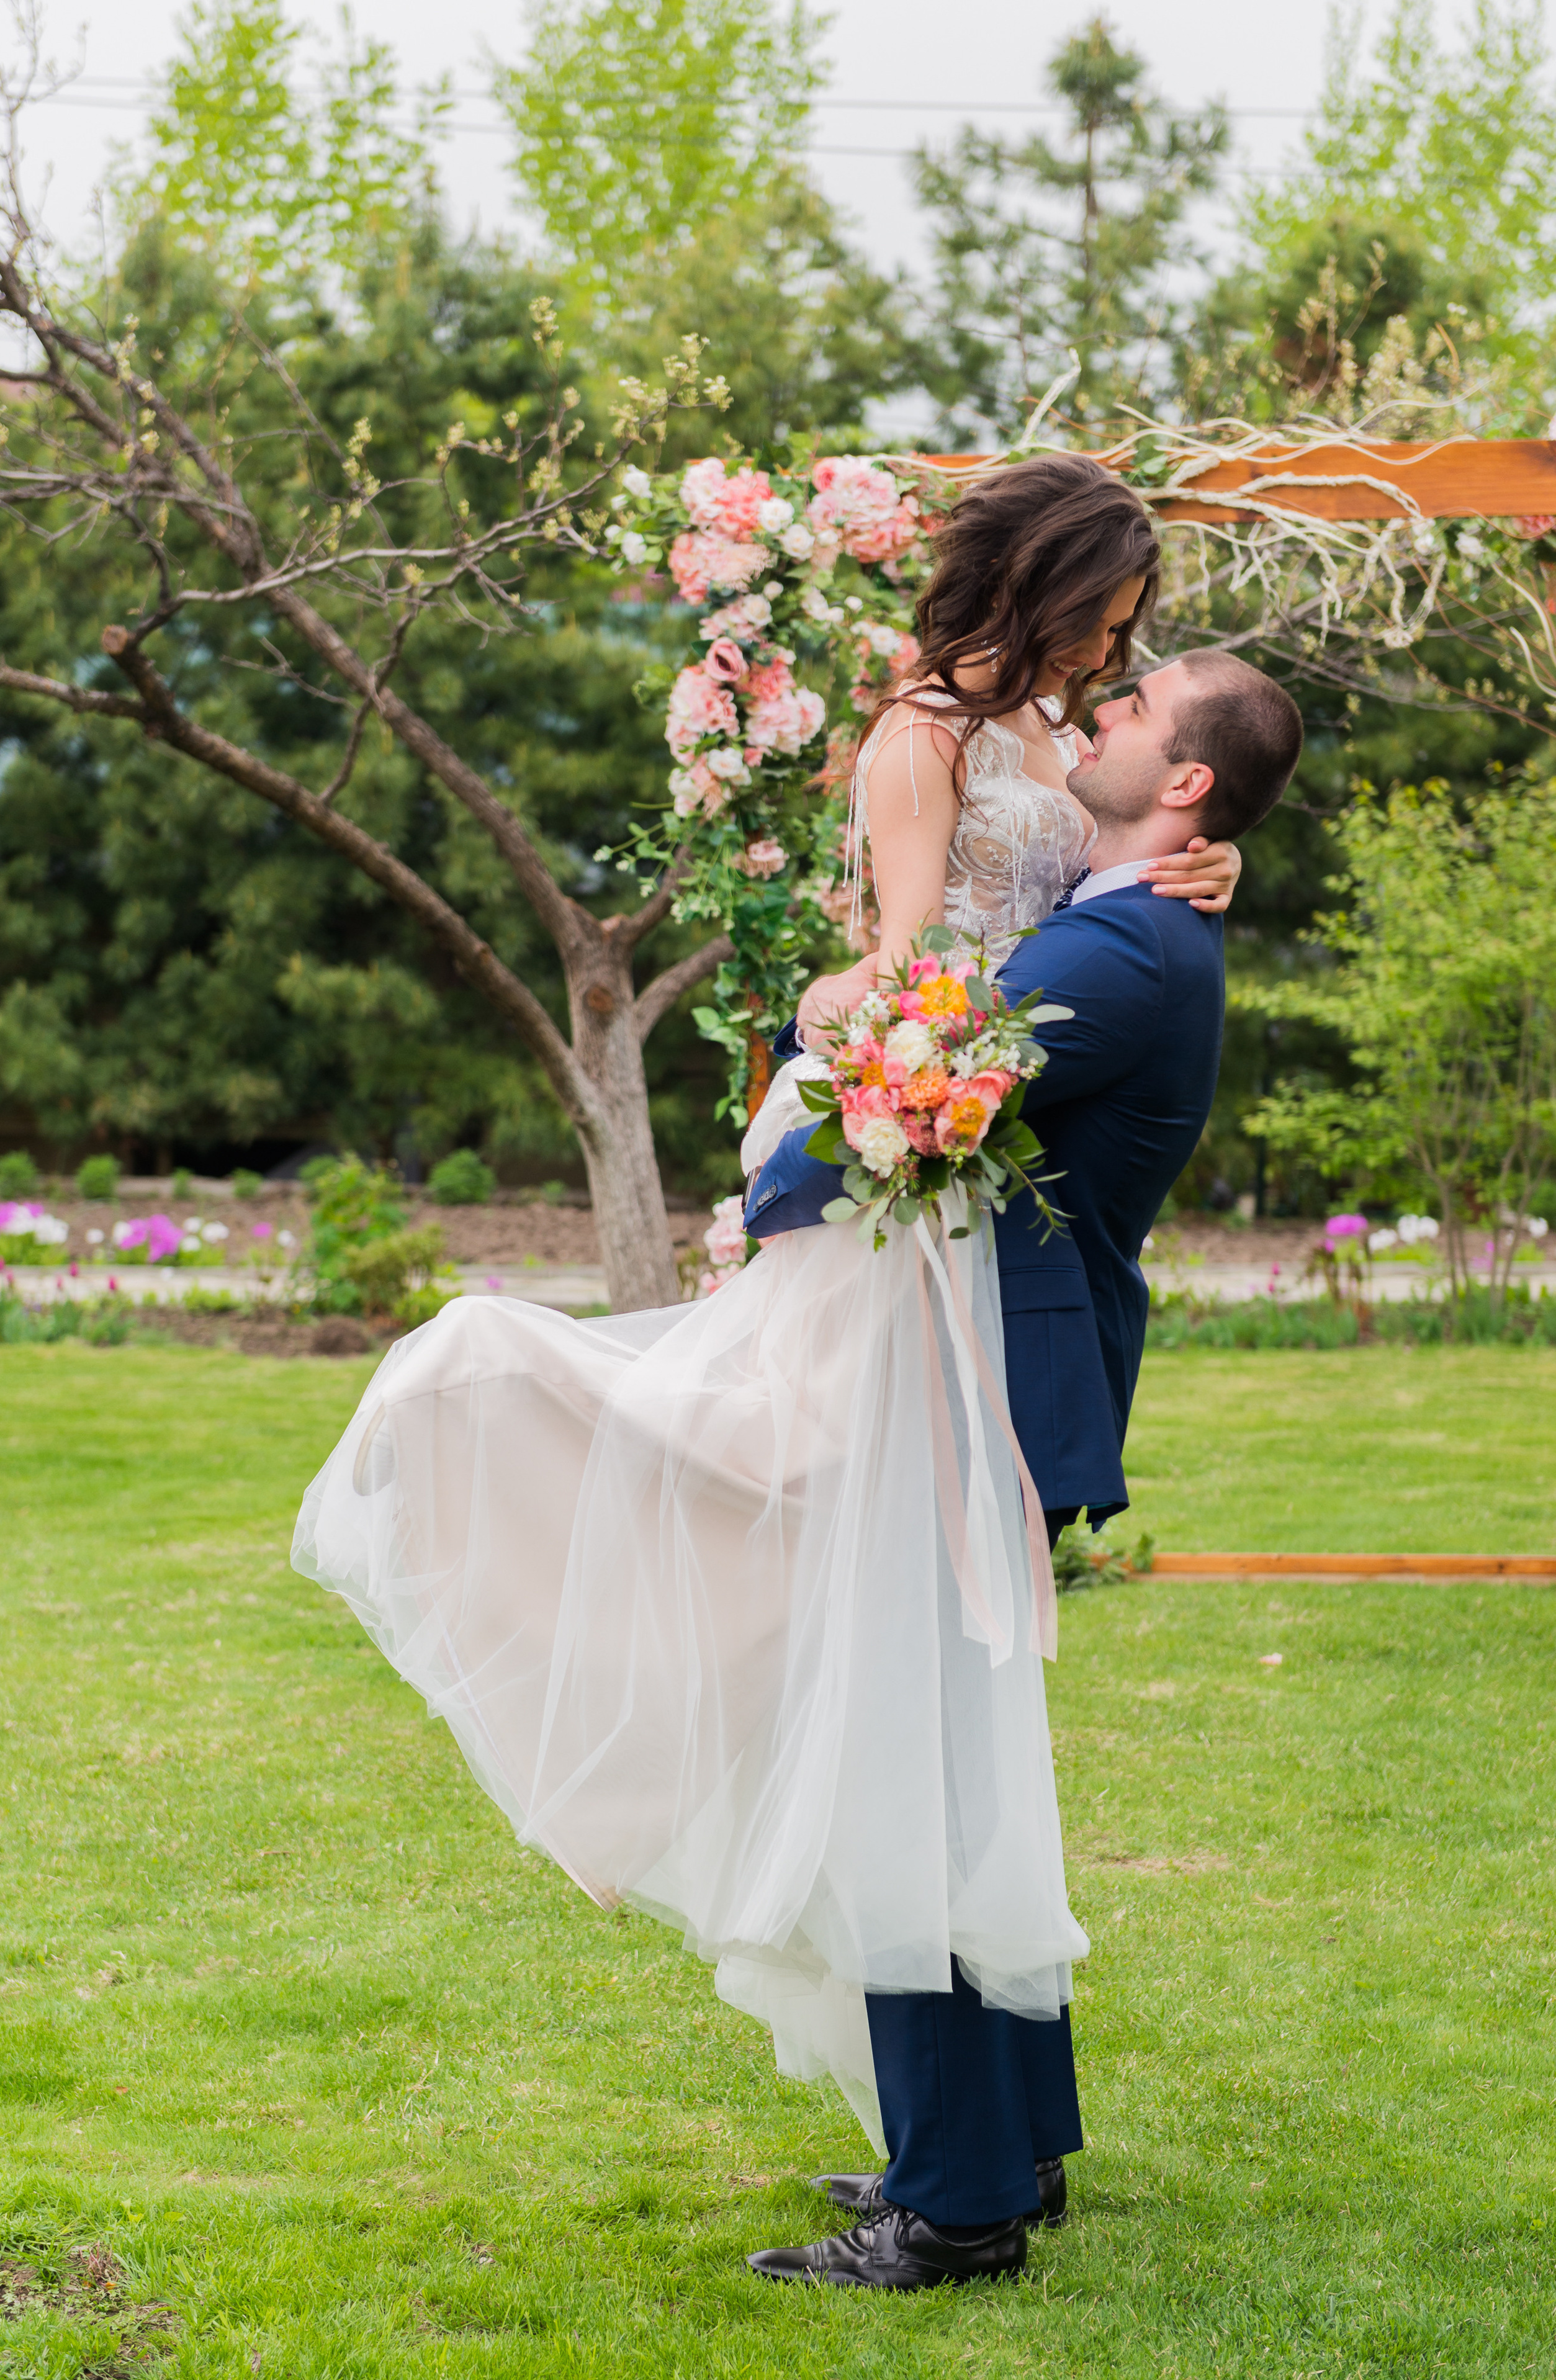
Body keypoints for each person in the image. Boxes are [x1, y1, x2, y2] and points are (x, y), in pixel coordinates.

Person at [287, 456, 1248, 2267]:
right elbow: (910, 974)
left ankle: (976, 2173)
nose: (1121, 646)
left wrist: (1190, 853)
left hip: (951, 1234)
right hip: (909, 1232)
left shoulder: (1050, 750)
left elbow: (1061, 928)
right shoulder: (917, 743)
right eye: (1108, 613)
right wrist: (844, 1046)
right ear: (1043, 587)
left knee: (918, 1692)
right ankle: (979, 2145)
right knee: (894, 1672)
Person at [740, 640, 1303, 2289]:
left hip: (977, 1383)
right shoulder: (1137, 914)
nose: (1092, 718)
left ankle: (959, 2204)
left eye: (1128, 710)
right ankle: (997, 2153)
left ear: (1186, 782)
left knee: (913, 1761)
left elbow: (912, 1090)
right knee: (958, 1760)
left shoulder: (1127, 951)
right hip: (975, 1368)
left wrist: (800, 1047)